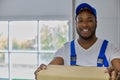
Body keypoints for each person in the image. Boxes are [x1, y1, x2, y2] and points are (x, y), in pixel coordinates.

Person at [34, 3, 120, 80]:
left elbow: (118, 69)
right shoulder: (66, 50)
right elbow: (51, 69)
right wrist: (44, 71)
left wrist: (117, 74)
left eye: (89, 20)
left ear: (96, 23)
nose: (85, 24)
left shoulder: (110, 49)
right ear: (76, 23)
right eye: (80, 20)